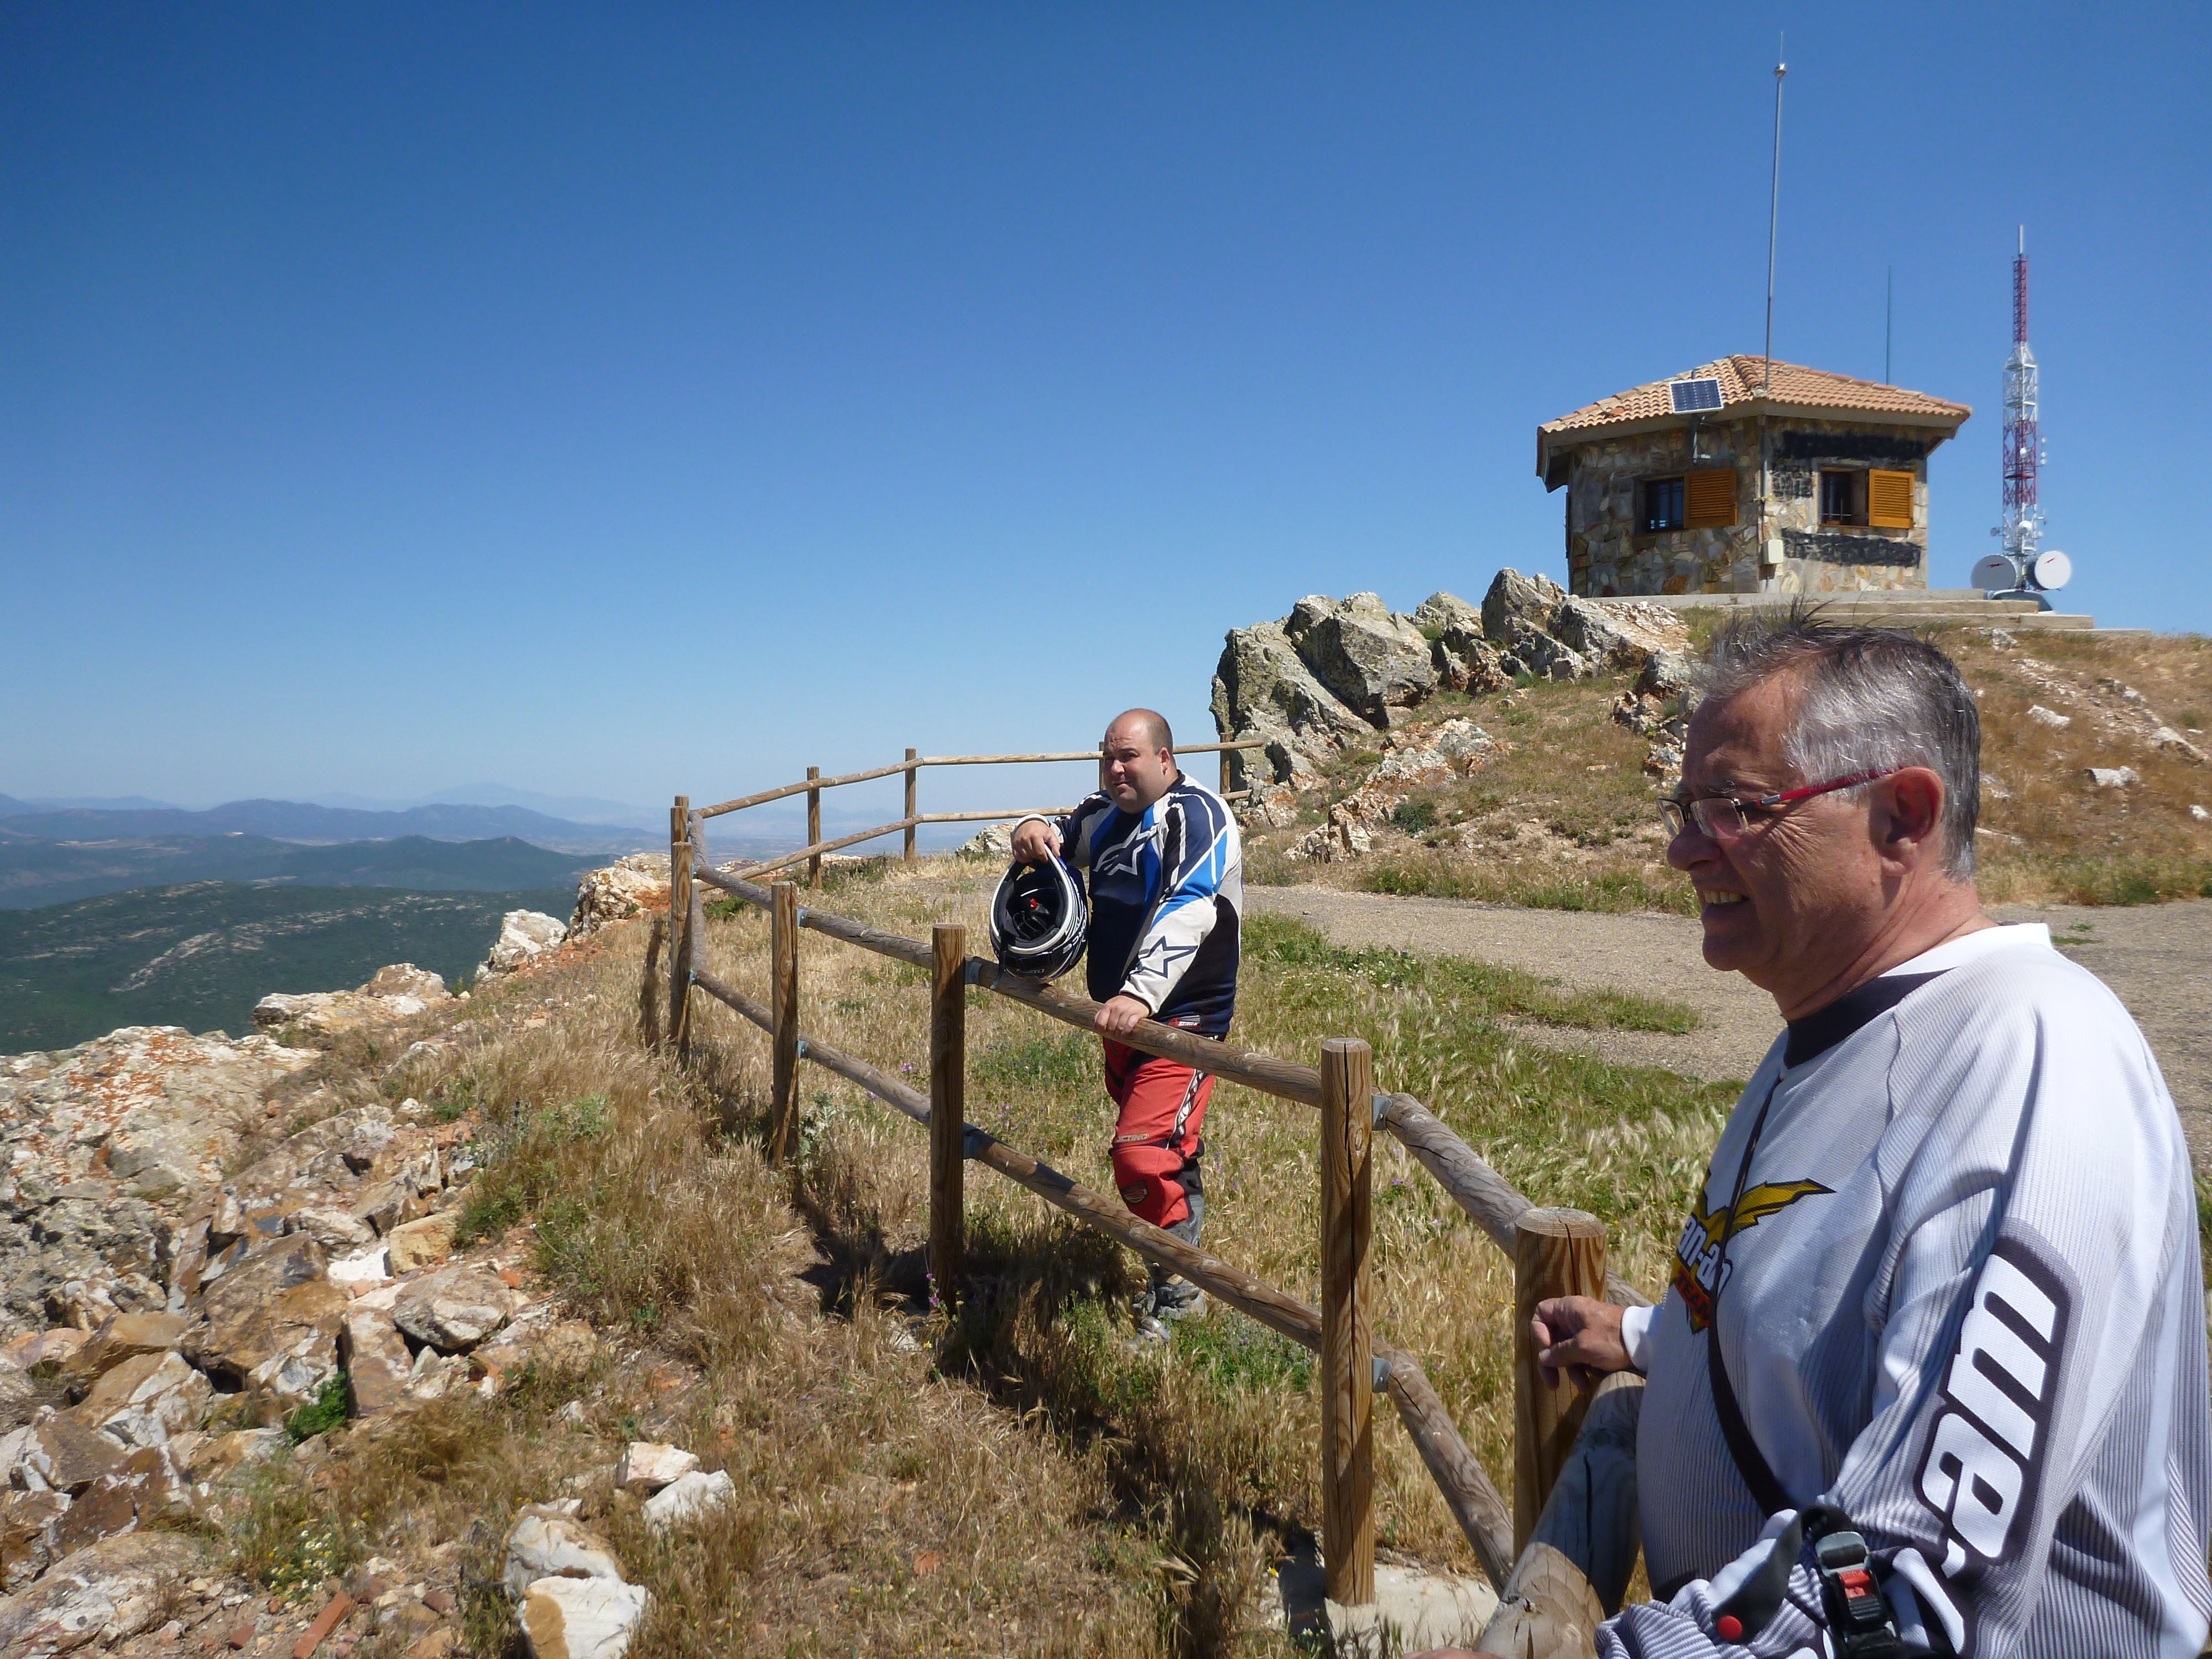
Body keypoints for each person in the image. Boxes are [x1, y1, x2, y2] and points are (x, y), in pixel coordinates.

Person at [1493, 617, 2208, 1658]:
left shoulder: (2034, 1056)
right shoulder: (1826, 1034)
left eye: (1735, 809)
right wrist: (1654, 1340)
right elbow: (1836, 1314)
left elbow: (1920, 1559)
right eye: (1684, 809)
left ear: (1901, 819)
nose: (1681, 848)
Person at [1010, 708, 1243, 1337]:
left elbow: (1190, 905)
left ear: (1164, 759)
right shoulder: (1102, 814)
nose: (1115, 768)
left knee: (1141, 1156)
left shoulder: (1198, 815)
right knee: (1162, 1151)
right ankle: (1181, 1250)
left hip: (1182, 1021)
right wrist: (1030, 829)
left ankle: (1178, 1294)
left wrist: (1140, 994)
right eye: (1107, 756)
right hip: (1120, 1020)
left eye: (1129, 757)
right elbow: (1057, 833)